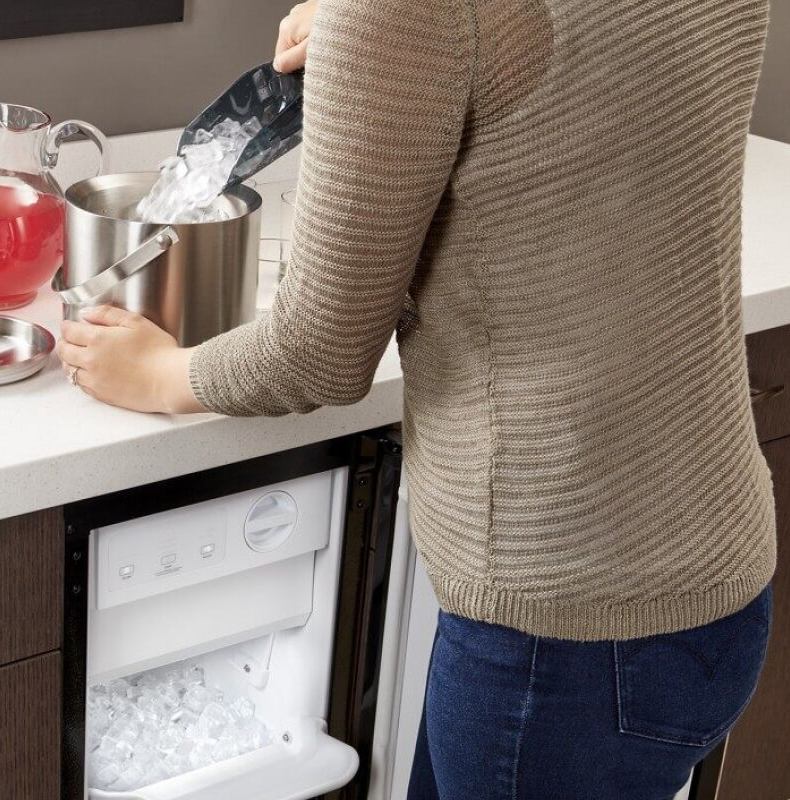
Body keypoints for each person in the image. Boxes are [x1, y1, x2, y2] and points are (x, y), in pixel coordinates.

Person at [58, 1, 777, 797]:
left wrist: (158, 374)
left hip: (557, 625)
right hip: (715, 575)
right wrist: (397, 50)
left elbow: (318, 354)